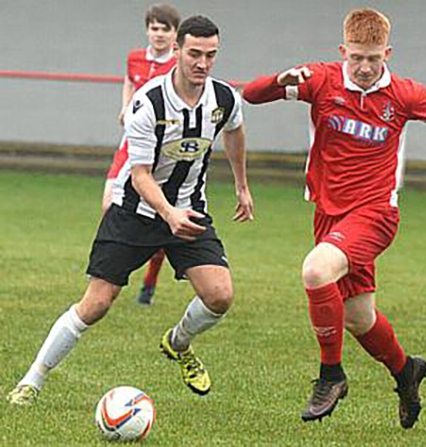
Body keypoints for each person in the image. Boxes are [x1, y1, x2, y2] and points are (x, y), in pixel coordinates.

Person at [243, 8, 426, 429]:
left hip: (376, 213)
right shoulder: (321, 80)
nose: (364, 67)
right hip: (329, 215)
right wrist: (278, 81)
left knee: (315, 270)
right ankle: (405, 371)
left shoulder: (404, 94)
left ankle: (331, 375)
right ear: (343, 51)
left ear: (388, 54)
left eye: (373, 58)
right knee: (360, 318)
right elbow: (251, 95)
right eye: (356, 57)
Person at [7, 15, 254, 405]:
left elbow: (235, 130)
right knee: (97, 303)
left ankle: (178, 342)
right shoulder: (149, 102)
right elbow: (139, 175)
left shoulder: (223, 97)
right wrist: (168, 214)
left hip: (189, 210)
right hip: (134, 212)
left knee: (220, 296)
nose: (202, 64)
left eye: (211, 55)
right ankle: (31, 381)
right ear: (176, 51)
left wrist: (241, 185)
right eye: (194, 54)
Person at [103, 4, 181, 305]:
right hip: (130, 143)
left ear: (175, 35)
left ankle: (149, 282)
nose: (158, 34)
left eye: (165, 29)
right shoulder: (134, 57)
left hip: (161, 151)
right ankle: (110, 272)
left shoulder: (178, 64)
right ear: (147, 29)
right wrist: (125, 106)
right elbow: (129, 80)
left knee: (160, 215)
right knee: (109, 204)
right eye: (154, 28)